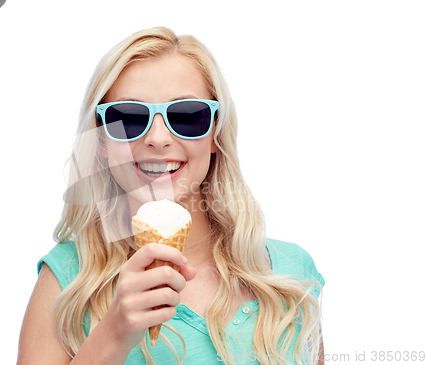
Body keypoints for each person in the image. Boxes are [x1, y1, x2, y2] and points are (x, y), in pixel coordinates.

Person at [17, 27, 325, 365]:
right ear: (102, 141)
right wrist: (113, 336)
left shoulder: (290, 274)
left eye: (187, 116)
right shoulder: (66, 281)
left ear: (215, 135)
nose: (159, 139)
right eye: (129, 118)